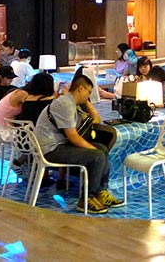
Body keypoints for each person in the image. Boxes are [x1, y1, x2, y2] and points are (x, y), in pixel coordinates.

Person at [33, 74, 122, 214]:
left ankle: (101, 192)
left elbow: (95, 120)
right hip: (50, 149)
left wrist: (87, 103)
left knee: (103, 149)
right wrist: (94, 151)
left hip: (59, 145)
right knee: (97, 155)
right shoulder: (65, 104)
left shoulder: (72, 104)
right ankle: (86, 198)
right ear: (80, 88)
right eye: (89, 92)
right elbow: (73, 137)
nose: (89, 95)